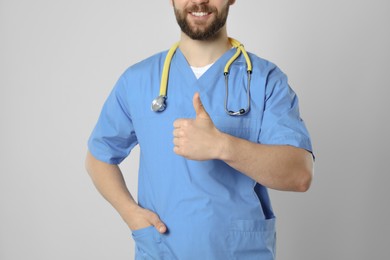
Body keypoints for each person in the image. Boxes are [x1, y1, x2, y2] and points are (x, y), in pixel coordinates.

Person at [85, 0, 314, 259]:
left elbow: (300, 174)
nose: (199, 1)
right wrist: (130, 213)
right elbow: (98, 157)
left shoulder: (264, 80)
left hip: (238, 252)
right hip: (162, 250)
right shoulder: (137, 80)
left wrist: (222, 146)